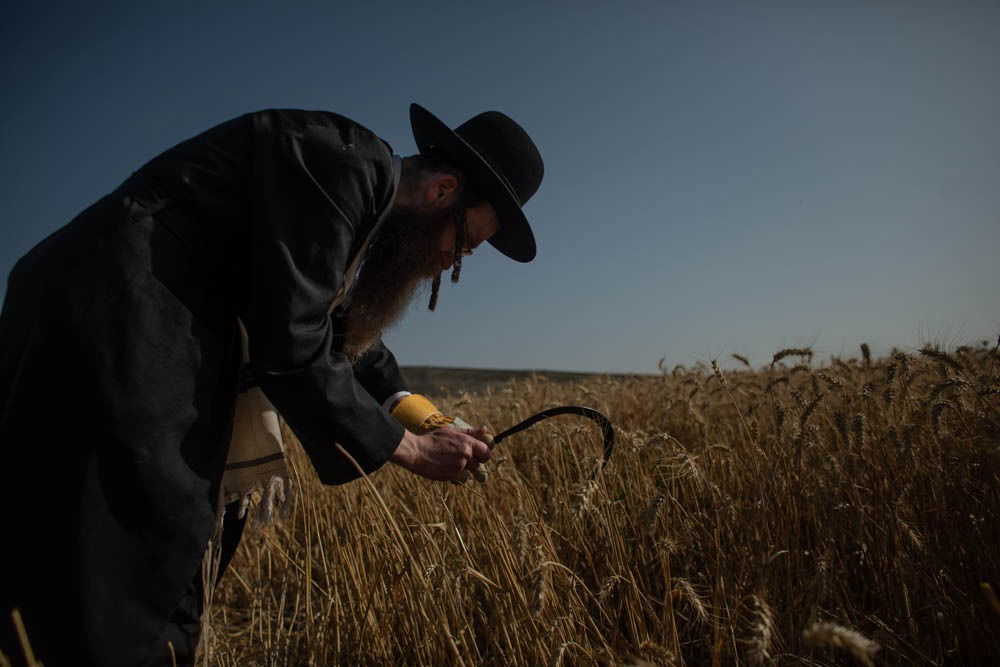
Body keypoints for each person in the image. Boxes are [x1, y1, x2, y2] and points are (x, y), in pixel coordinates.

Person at [0, 103, 544, 666]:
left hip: (120, 332)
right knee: (122, 573)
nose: (446, 266)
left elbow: (346, 334)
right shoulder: (338, 168)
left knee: (168, 565)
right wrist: (409, 449)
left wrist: (432, 422)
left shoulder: (356, 190)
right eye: (462, 248)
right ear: (443, 192)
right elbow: (295, 340)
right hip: (111, 330)